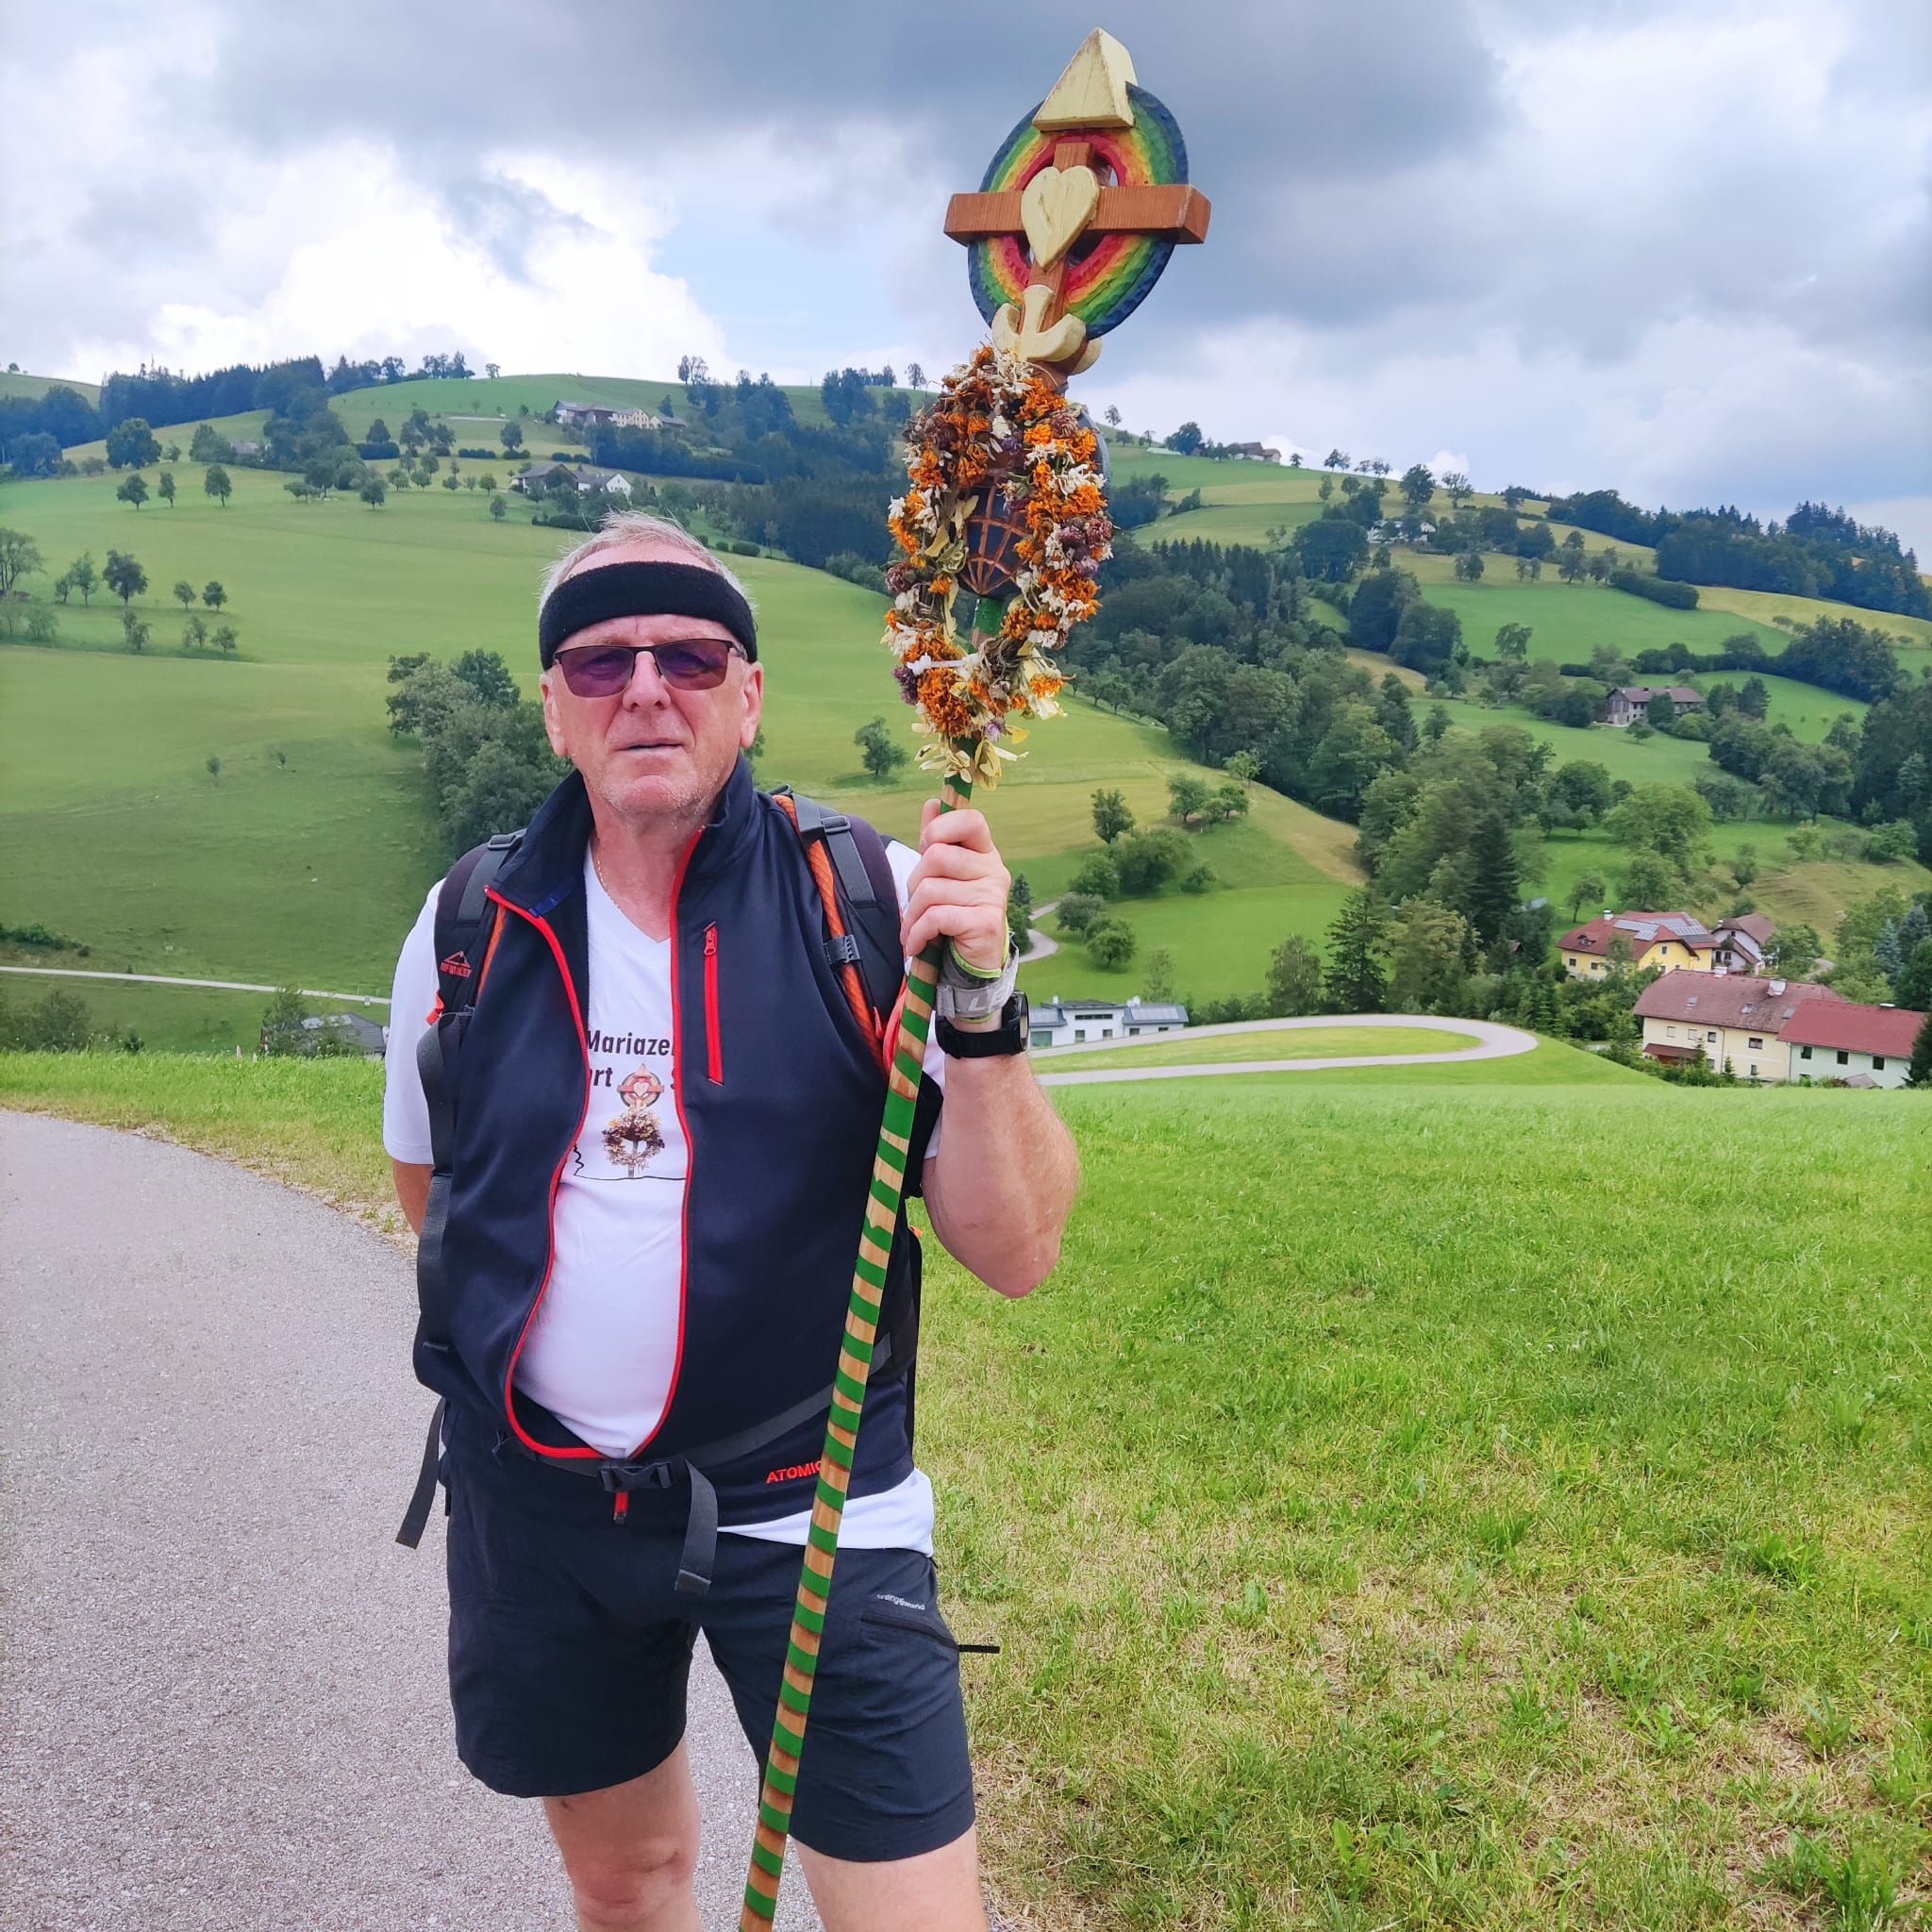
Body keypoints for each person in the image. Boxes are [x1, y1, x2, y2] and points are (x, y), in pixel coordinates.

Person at [383, 511, 1079, 1932]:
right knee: (627, 1885)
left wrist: (982, 1006)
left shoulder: (875, 902)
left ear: (748, 695)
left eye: (690, 657)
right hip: (544, 1508)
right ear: (555, 710)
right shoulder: (466, 923)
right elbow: (436, 1195)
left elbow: (1016, 1253)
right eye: (602, 662)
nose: (646, 688)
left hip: (814, 1507)